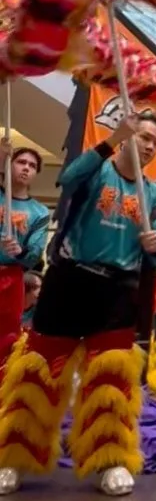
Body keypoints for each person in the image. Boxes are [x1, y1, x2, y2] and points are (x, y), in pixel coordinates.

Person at [0, 111, 156, 497]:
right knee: (39, 373)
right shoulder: (98, 171)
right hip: (68, 281)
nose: (149, 147)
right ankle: (13, 457)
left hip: (117, 293)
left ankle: (108, 459)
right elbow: (68, 178)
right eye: (144, 137)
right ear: (128, 136)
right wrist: (111, 139)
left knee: (109, 381)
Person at [0, 141, 50, 358]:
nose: (26, 167)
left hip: (12, 278)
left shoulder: (39, 212)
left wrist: (19, 251)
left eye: (32, 165)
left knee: (7, 337)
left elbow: (34, 254)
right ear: (9, 165)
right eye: (20, 162)